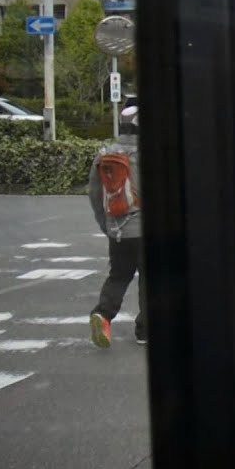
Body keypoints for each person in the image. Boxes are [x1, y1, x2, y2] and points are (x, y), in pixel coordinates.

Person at [88, 106, 146, 347]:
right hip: (145, 229)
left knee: (119, 275)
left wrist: (107, 225)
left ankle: (103, 314)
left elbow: (94, 194)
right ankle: (145, 330)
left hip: (118, 228)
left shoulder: (105, 155)